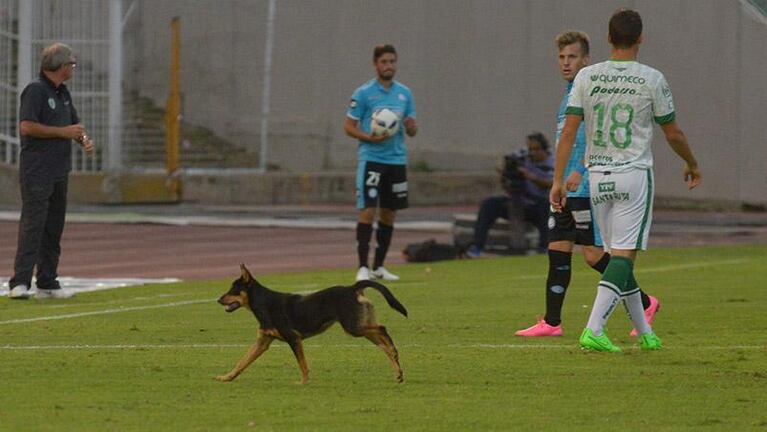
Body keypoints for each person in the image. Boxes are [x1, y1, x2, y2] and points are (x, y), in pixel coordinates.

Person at [551, 9, 701, 352]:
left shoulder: (587, 77)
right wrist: (691, 162)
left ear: (607, 38)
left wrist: (557, 179)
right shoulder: (651, 78)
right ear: (640, 39)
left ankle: (645, 331)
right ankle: (594, 328)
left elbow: (569, 132)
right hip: (632, 175)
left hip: (599, 177)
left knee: (620, 256)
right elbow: (672, 132)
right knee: (623, 255)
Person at [516, 31, 659, 337]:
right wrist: (557, 180)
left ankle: (646, 302)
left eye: (572, 57)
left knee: (593, 255)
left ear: (586, 59)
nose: (566, 63)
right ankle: (552, 322)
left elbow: (600, 136)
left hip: (585, 187)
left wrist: (581, 169)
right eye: (561, 57)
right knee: (557, 250)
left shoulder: (593, 90)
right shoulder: (569, 92)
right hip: (564, 190)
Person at [7, 43, 94, 300]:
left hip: (59, 170)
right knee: (33, 225)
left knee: (54, 227)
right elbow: (27, 127)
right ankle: (19, 282)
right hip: (37, 171)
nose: (74, 68)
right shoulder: (35, 91)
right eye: (72, 64)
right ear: (61, 65)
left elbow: (74, 125)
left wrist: (83, 138)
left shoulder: (63, 93)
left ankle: (47, 281)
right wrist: (63, 133)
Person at [345, 44, 418, 282]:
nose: (389, 66)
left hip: (396, 160)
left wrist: (410, 126)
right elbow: (348, 126)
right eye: (384, 62)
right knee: (367, 210)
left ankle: (379, 266)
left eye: (392, 62)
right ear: (376, 64)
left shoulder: (404, 93)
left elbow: (413, 129)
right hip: (372, 159)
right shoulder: (364, 93)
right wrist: (370, 138)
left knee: (389, 214)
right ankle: (362, 267)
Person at [466, 132, 553, 257]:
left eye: (536, 149)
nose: (533, 153)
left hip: (537, 204)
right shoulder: (523, 154)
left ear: (544, 149)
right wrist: (506, 171)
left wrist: (530, 177)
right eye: (531, 149)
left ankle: (544, 247)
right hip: (518, 199)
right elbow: (502, 163)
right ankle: (477, 246)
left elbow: (550, 183)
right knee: (489, 204)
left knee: (546, 206)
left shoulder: (552, 162)